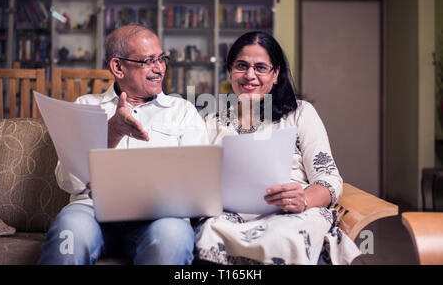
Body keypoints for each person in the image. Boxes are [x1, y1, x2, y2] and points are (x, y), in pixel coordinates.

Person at [38, 25, 209, 265]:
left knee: (172, 239)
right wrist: (111, 132)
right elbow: (67, 180)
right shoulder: (85, 105)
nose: (159, 68)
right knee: (69, 234)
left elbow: (199, 183)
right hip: (92, 211)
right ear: (118, 67)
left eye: (162, 59)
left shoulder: (182, 112)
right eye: (149, 61)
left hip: (160, 217)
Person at [194, 31, 361, 265]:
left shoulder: (300, 113)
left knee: (285, 237)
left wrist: (303, 199)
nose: (250, 75)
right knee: (209, 232)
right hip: (227, 218)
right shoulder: (211, 122)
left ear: (275, 75)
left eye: (261, 67)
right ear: (230, 71)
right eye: (241, 66)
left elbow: (329, 178)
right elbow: (195, 182)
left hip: (293, 214)